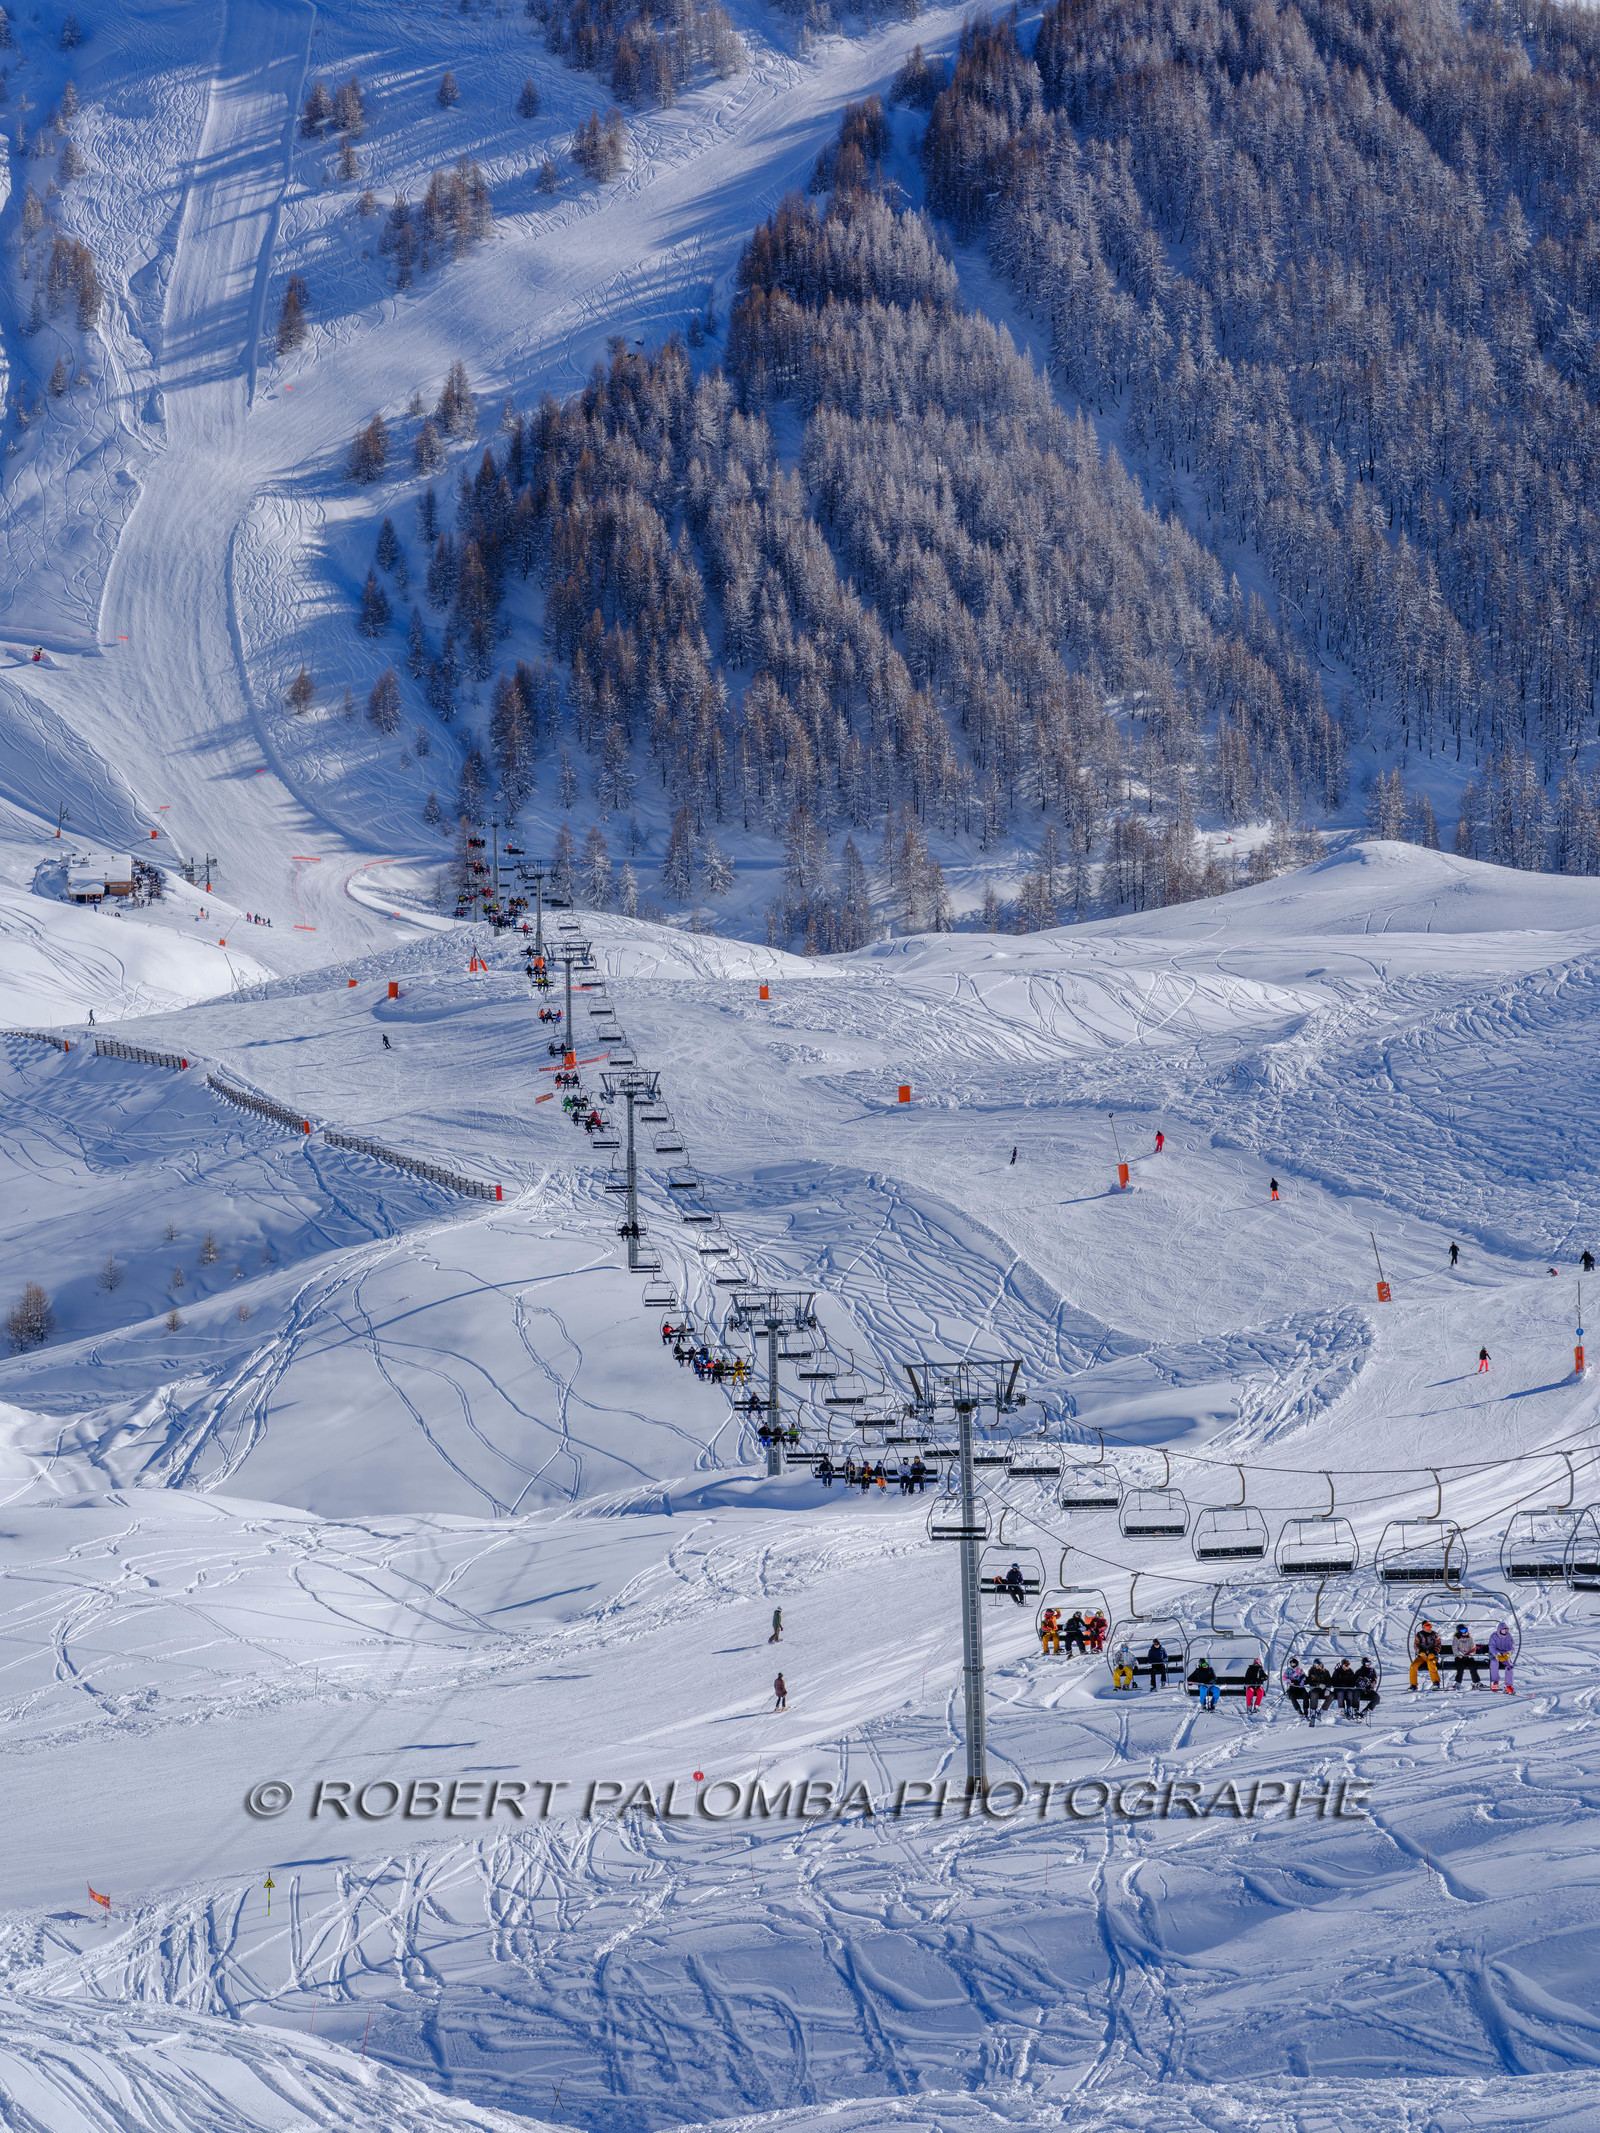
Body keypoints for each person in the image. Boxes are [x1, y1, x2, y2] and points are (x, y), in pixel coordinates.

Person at [1411, 1618, 1442, 1689]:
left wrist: (1434, 1652)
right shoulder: (1419, 1635)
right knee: (1413, 1666)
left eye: (1430, 1626)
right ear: (1423, 1627)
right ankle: (1413, 1685)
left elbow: (1438, 1645)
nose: (1429, 1628)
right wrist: (1420, 1651)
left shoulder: (1434, 1634)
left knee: (1431, 1665)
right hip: (1422, 1657)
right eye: (1427, 1627)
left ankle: (1436, 1682)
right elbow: (1416, 1645)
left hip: (1432, 1656)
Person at [1450, 1623, 1482, 1688]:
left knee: (1473, 1666)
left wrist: (1469, 1655)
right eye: (1463, 1631)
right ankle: (1458, 1682)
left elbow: (1473, 1648)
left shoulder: (1470, 1638)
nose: (1465, 1632)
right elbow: (1455, 1648)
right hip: (1459, 1658)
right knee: (1460, 1667)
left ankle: (1476, 1682)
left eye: (1466, 1630)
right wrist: (1461, 1656)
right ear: (1459, 1632)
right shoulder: (1456, 1638)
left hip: (1468, 1657)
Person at [1488, 1621, 1515, 1693]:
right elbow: (1491, 1646)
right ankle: (1495, 1682)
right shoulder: (1494, 1636)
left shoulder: (1509, 1636)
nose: (1505, 1631)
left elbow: (1512, 1646)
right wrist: (1497, 1655)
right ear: (1499, 1630)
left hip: (1505, 1654)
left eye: (1506, 1630)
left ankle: (1509, 1685)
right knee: (1494, 1662)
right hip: (1495, 1654)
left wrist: (1508, 1653)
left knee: (1509, 1666)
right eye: (1503, 1630)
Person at [1305, 1659, 1332, 1723]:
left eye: (1320, 1666)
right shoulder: (1311, 1671)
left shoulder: (1325, 1672)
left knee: (1331, 1696)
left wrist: (1328, 1688)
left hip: (1323, 1689)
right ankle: (1313, 1711)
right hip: (1315, 1689)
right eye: (1317, 1666)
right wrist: (1318, 1685)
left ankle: (1321, 1711)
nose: (1318, 1668)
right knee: (1314, 1694)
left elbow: (1329, 1681)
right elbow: (1311, 1681)